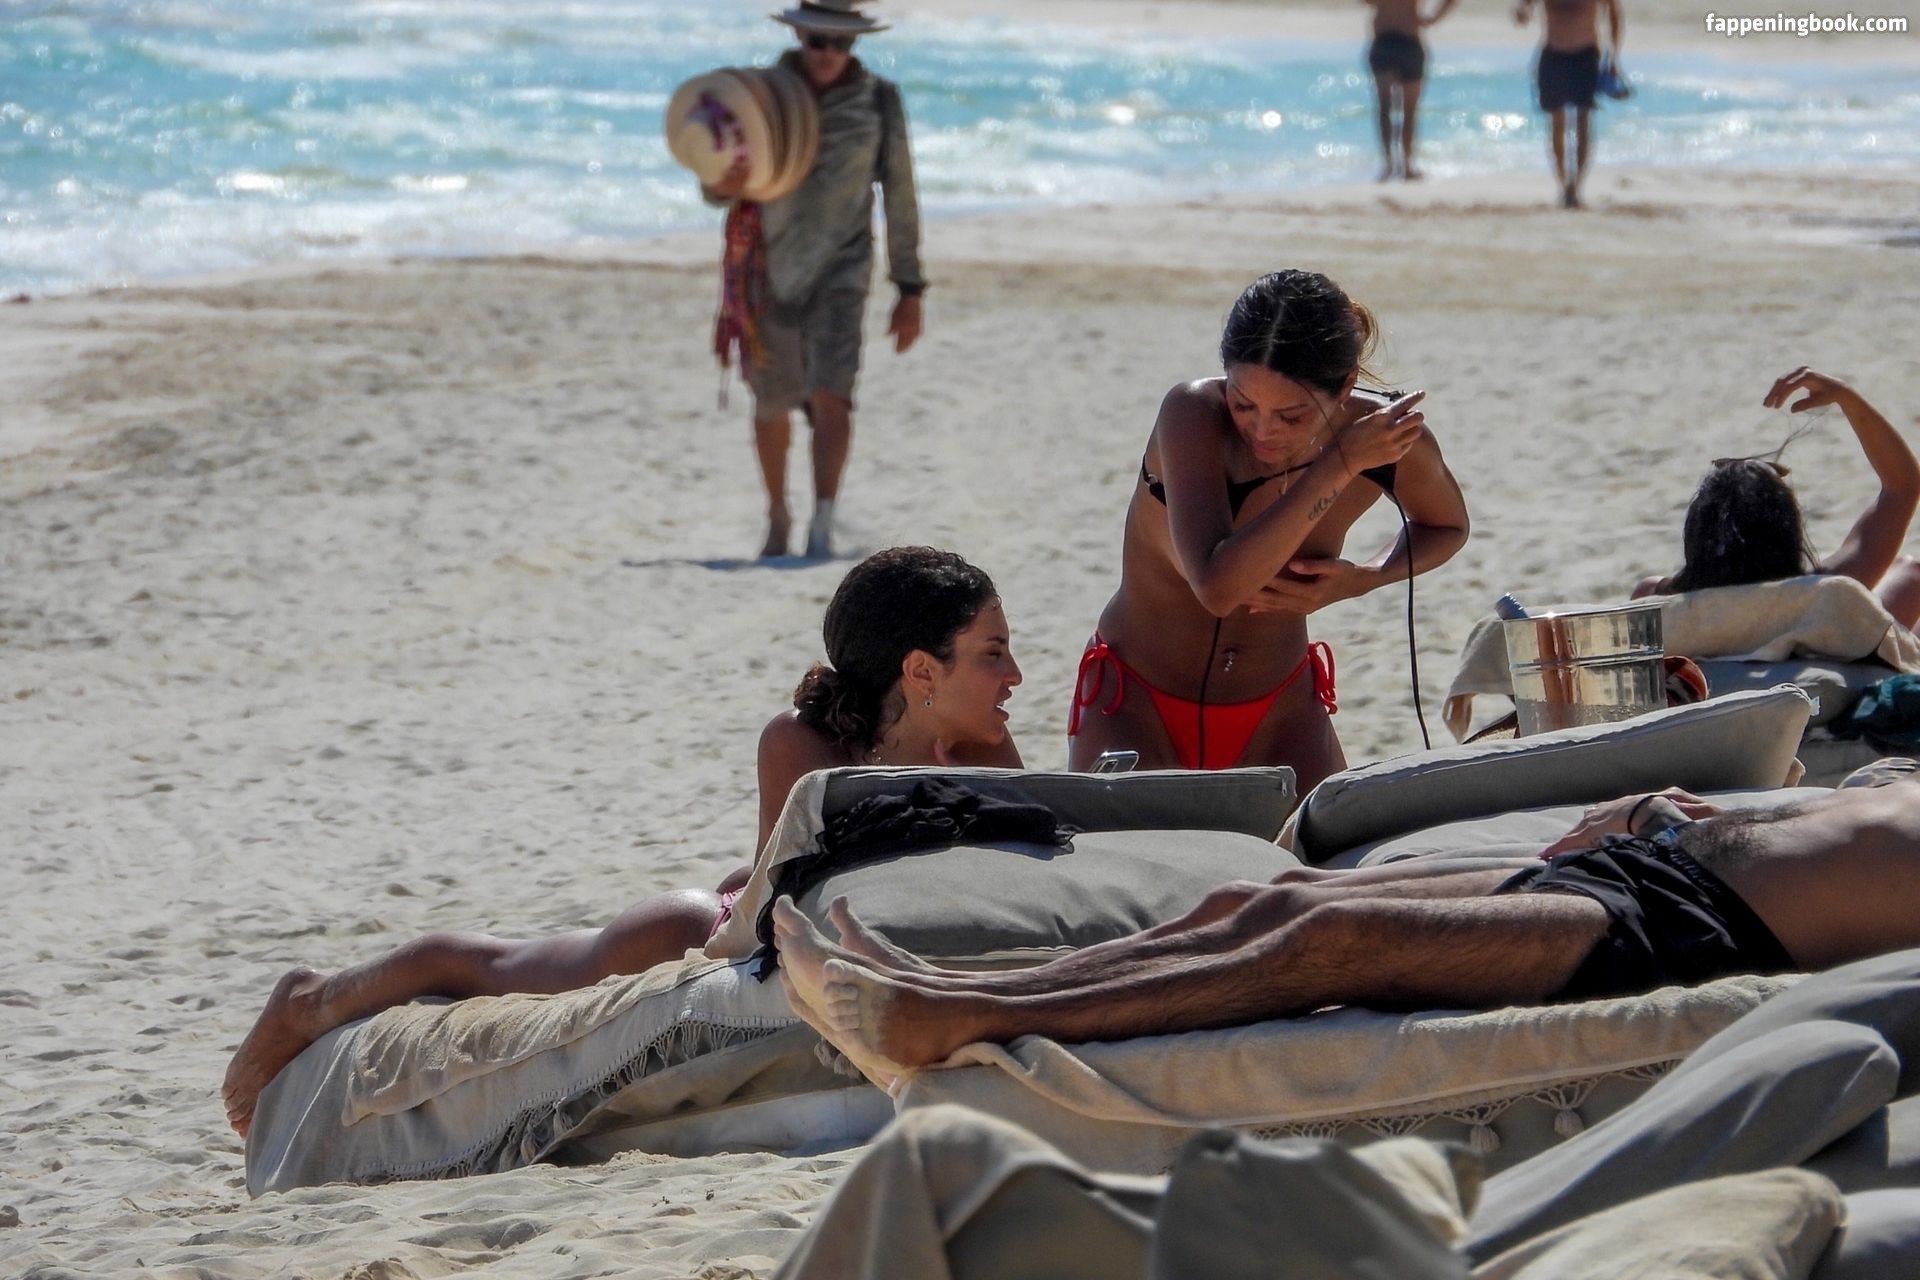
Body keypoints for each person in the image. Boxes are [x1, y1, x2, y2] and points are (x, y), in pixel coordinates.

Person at [220, 547, 1022, 1137]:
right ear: (922, 671)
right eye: (993, 653)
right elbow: (798, 907)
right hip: (707, 931)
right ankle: (309, 999)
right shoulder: (802, 742)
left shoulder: (989, 749)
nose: (1014, 674)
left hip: (819, 920)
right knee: (492, 969)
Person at [773, 768, 1920, 1081]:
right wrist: (1668, 810)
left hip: (1706, 933)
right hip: (1657, 860)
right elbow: (1831, 820)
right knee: (1266, 901)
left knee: (1328, 947)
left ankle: (950, 1015)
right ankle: (966, 982)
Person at [1066, 270, 1469, 792]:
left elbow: (1447, 525)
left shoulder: (1383, 440)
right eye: (1243, 404)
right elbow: (1218, 587)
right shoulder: (1192, 415)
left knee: (1325, 844)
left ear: (1346, 386)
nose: (1262, 430)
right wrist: (1340, 463)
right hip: (1136, 699)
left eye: (1292, 415)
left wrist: (1365, 578)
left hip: (1281, 709)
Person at [704, 0, 925, 559]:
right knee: (771, 400)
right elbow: (715, 183)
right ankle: (778, 515)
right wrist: (724, 181)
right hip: (767, 268)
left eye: (841, 42)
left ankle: (822, 522)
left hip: (843, 268)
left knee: (834, 394)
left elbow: (900, 192)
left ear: (855, 44)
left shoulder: (878, 100)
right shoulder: (760, 96)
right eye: (817, 40)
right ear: (798, 36)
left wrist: (910, 287)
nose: (828, 53)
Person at [1631, 367, 1920, 629]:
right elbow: (1902, 487)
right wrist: (1847, 398)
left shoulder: (1658, 599)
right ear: (1785, 529)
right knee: (1910, 574)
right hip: (1818, 651)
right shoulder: (1819, 594)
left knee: (1905, 571)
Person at [1514, 0, 1622, 208]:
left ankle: (1577, 186)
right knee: (1557, 121)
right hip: (1553, 54)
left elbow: (1614, 13)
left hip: (1586, 55)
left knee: (1583, 120)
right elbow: (1524, 7)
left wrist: (1613, 57)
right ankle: (1564, 185)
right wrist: (1522, 13)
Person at [1364, 0, 1457, 181]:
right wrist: (1433, 19)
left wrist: (1433, 18)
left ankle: (1393, 165)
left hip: (1390, 41)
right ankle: (1403, 165)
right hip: (1403, 41)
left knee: (1388, 107)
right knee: (1405, 111)